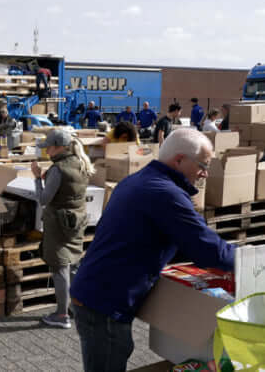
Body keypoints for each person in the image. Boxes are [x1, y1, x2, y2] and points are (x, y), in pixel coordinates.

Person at [70, 128, 236, 372]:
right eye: (203, 165)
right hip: (104, 303)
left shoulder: (138, 180)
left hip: (97, 292)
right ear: (179, 160)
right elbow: (207, 249)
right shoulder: (165, 193)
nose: (204, 173)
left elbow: (162, 236)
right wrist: (247, 259)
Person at [30, 129, 94, 329]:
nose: (46, 151)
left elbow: (43, 199)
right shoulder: (81, 162)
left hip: (59, 223)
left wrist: (37, 178)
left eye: (48, 147)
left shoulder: (57, 169)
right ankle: (76, 307)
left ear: (59, 147)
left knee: (59, 267)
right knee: (73, 263)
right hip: (77, 220)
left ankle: (61, 315)